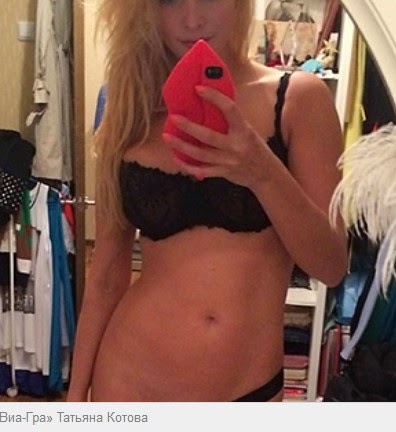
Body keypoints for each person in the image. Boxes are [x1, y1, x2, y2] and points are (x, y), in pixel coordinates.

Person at [66, 0, 347, 402]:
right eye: (169, 1)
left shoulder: (297, 100)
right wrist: (75, 399)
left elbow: (331, 265)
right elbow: (107, 276)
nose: (192, 19)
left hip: (246, 391)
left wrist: (262, 171)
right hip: (129, 383)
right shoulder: (130, 111)